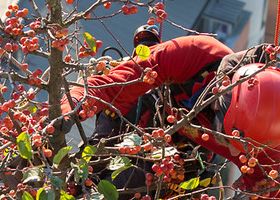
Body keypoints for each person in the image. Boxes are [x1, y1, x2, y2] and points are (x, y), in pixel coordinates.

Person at [60, 29, 280, 198]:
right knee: (96, 164)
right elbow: (114, 84)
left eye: (239, 144)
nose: (231, 147)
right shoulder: (197, 53)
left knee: (134, 184)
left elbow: (266, 189)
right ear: (219, 96)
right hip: (143, 110)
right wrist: (73, 107)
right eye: (225, 132)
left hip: (183, 156)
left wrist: (253, 192)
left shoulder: (271, 152)